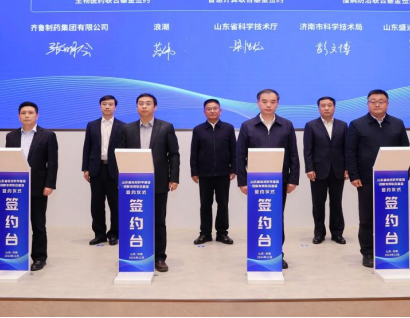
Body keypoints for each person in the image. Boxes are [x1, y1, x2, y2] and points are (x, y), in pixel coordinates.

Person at [346, 90, 410, 268]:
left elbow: (405, 149)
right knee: (367, 218)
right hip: (366, 179)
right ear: (367, 104)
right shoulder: (357, 124)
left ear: (387, 104)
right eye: (373, 101)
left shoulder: (397, 123)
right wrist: (354, 175)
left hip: (393, 180)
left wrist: (405, 174)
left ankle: (390, 249)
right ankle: (367, 252)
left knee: (391, 216)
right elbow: (350, 152)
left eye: (381, 101)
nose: (377, 104)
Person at [236, 89, 299, 270]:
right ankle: (258, 253)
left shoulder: (286, 125)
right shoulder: (248, 126)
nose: (268, 105)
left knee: (276, 217)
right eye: (264, 101)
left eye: (272, 102)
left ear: (277, 103)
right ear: (258, 103)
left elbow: (293, 154)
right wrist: (242, 181)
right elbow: (240, 156)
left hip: (280, 181)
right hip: (256, 183)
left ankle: (277, 253)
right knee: (259, 218)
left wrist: (293, 179)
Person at [119, 93, 180, 273]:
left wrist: (173, 178)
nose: (144, 106)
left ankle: (160, 257)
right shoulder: (127, 129)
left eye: (148, 103)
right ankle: (137, 254)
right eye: (141, 103)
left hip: (159, 181)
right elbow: (121, 155)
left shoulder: (166, 127)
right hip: (133, 183)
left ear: (155, 107)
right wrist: (121, 179)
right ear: (136, 107)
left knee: (158, 221)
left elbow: (174, 155)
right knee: (135, 220)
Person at [5, 102, 58, 272]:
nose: (27, 115)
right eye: (23, 113)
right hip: (16, 186)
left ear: (37, 115)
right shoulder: (11, 136)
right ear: (19, 116)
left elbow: (53, 162)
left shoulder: (48, 135)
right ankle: (17, 254)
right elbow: (8, 160)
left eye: (30, 112)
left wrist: (50, 184)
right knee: (16, 223)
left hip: (39, 186)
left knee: (38, 224)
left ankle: (39, 257)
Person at [191, 99, 236, 245]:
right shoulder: (198, 130)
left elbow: (234, 150)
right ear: (204, 112)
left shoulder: (228, 128)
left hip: (224, 173)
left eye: (215, 108)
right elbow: (194, 152)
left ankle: (222, 233)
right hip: (204, 173)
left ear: (220, 111)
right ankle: (205, 233)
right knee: (205, 204)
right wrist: (194, 171)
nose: (212, 111)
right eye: (209, 109)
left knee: (223, 204)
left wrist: (234, 168)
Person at [303, 97, 348, 245]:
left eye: (329, 105)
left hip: (338, 169)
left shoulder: (343, 125)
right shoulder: (311, 125)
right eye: (323, 106)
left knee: (336, 203)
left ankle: (337, 233)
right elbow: (308, 149)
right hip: (317, 170)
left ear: (334, 107)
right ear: (319, 108)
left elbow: (346, 149)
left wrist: (347, 168)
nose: (326, 108)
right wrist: (309, 168)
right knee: (318, 204)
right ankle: (319, 233)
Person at [82, 95, 126, 246]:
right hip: (96, 168)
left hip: (115, 170)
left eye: (110, 104)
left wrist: (124, 171)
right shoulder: (92, 125)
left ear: (115, 107)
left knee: (115, 204)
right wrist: (85, 168)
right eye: (104, 104)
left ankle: (114, 234)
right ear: (100, 106)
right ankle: (99, 234)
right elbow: (87, 147)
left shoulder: (123, 126)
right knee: (96, 204)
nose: (107, 106)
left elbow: (125, 150)